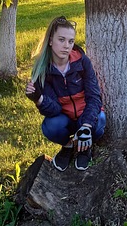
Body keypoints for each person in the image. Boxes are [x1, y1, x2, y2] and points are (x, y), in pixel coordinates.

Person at [25, 16, 106, 172]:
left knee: (100, 121)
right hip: (65, 117)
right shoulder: (42, 71)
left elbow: (94, 97)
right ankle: (68, 146)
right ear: (50, 40)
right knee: (50, 126)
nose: (66, 46)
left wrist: (86, 126)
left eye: (70, 41)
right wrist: (39, 99)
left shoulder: (82, 62)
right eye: (61, 40)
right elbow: (53, 110)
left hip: (86, 114)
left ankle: (84, 148)